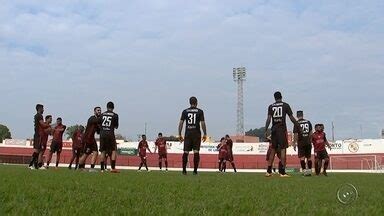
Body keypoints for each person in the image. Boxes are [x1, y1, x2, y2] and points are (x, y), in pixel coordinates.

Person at [264, 91, 299, 177]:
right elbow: (291, 118)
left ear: (274, 98)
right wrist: (297, 125)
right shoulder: (285, 105)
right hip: (282, 130)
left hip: (274, 130)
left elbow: (268, 119)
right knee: (283, 150)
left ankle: (268, 171)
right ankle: (282, 172)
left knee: (273, 150)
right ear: (281, 97)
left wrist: (265, 129)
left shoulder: (271, 106)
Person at [178, 96, 207, 175]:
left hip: (188, 133)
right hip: (196, 134)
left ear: (189, 103)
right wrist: (205, 133)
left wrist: (179, 134)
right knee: (196, 152)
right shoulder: (200, 111)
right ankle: (195, 171)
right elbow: (202, 123)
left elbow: (181, 123)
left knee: (186, 152)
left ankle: (184, 170)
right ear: (196, 102)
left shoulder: (185, 111)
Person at [78, 107, 101, 172]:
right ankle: (80, 167)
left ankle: (92, 168)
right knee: (86, 153)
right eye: (98, 110)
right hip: (87, 138)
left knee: (95, 152)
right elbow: (98, 121)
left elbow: (98, 131)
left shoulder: (97, 121)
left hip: (92, 139)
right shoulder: (92, 118)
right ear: (94, 112)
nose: (99, 111)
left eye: (100, 110)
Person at [99, 101, 119, 173]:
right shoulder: (115, 115)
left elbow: (99, 124)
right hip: (110, 134)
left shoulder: (102, 115)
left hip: (102, 134)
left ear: (107, 107)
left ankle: (102, 169)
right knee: (113, 150)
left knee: (103, 151)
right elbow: (116, 126)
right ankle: (112, 168)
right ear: (113, 107)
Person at [29, 104, 50, 169]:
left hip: (38, 135)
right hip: (38, 135)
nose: (43, 110)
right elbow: (43, 125)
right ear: (39, 109)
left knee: (38, 150)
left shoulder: (37, 116)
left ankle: (35, 166)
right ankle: (30, 165)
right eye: (42, 108)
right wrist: (49, 126)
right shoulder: (39, 116)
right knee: (37, 151)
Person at [293, 111, 313, 176]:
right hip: (308, 142)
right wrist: (310, 140)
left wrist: (294, 143)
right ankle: (309, 171)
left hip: (301, 142)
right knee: (309, 157)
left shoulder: (296, 123)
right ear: (302, 115)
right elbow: (311, 133)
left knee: (302, 158)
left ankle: (304, 171)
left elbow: (296, 134)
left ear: (297, 116)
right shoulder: (308, 122)